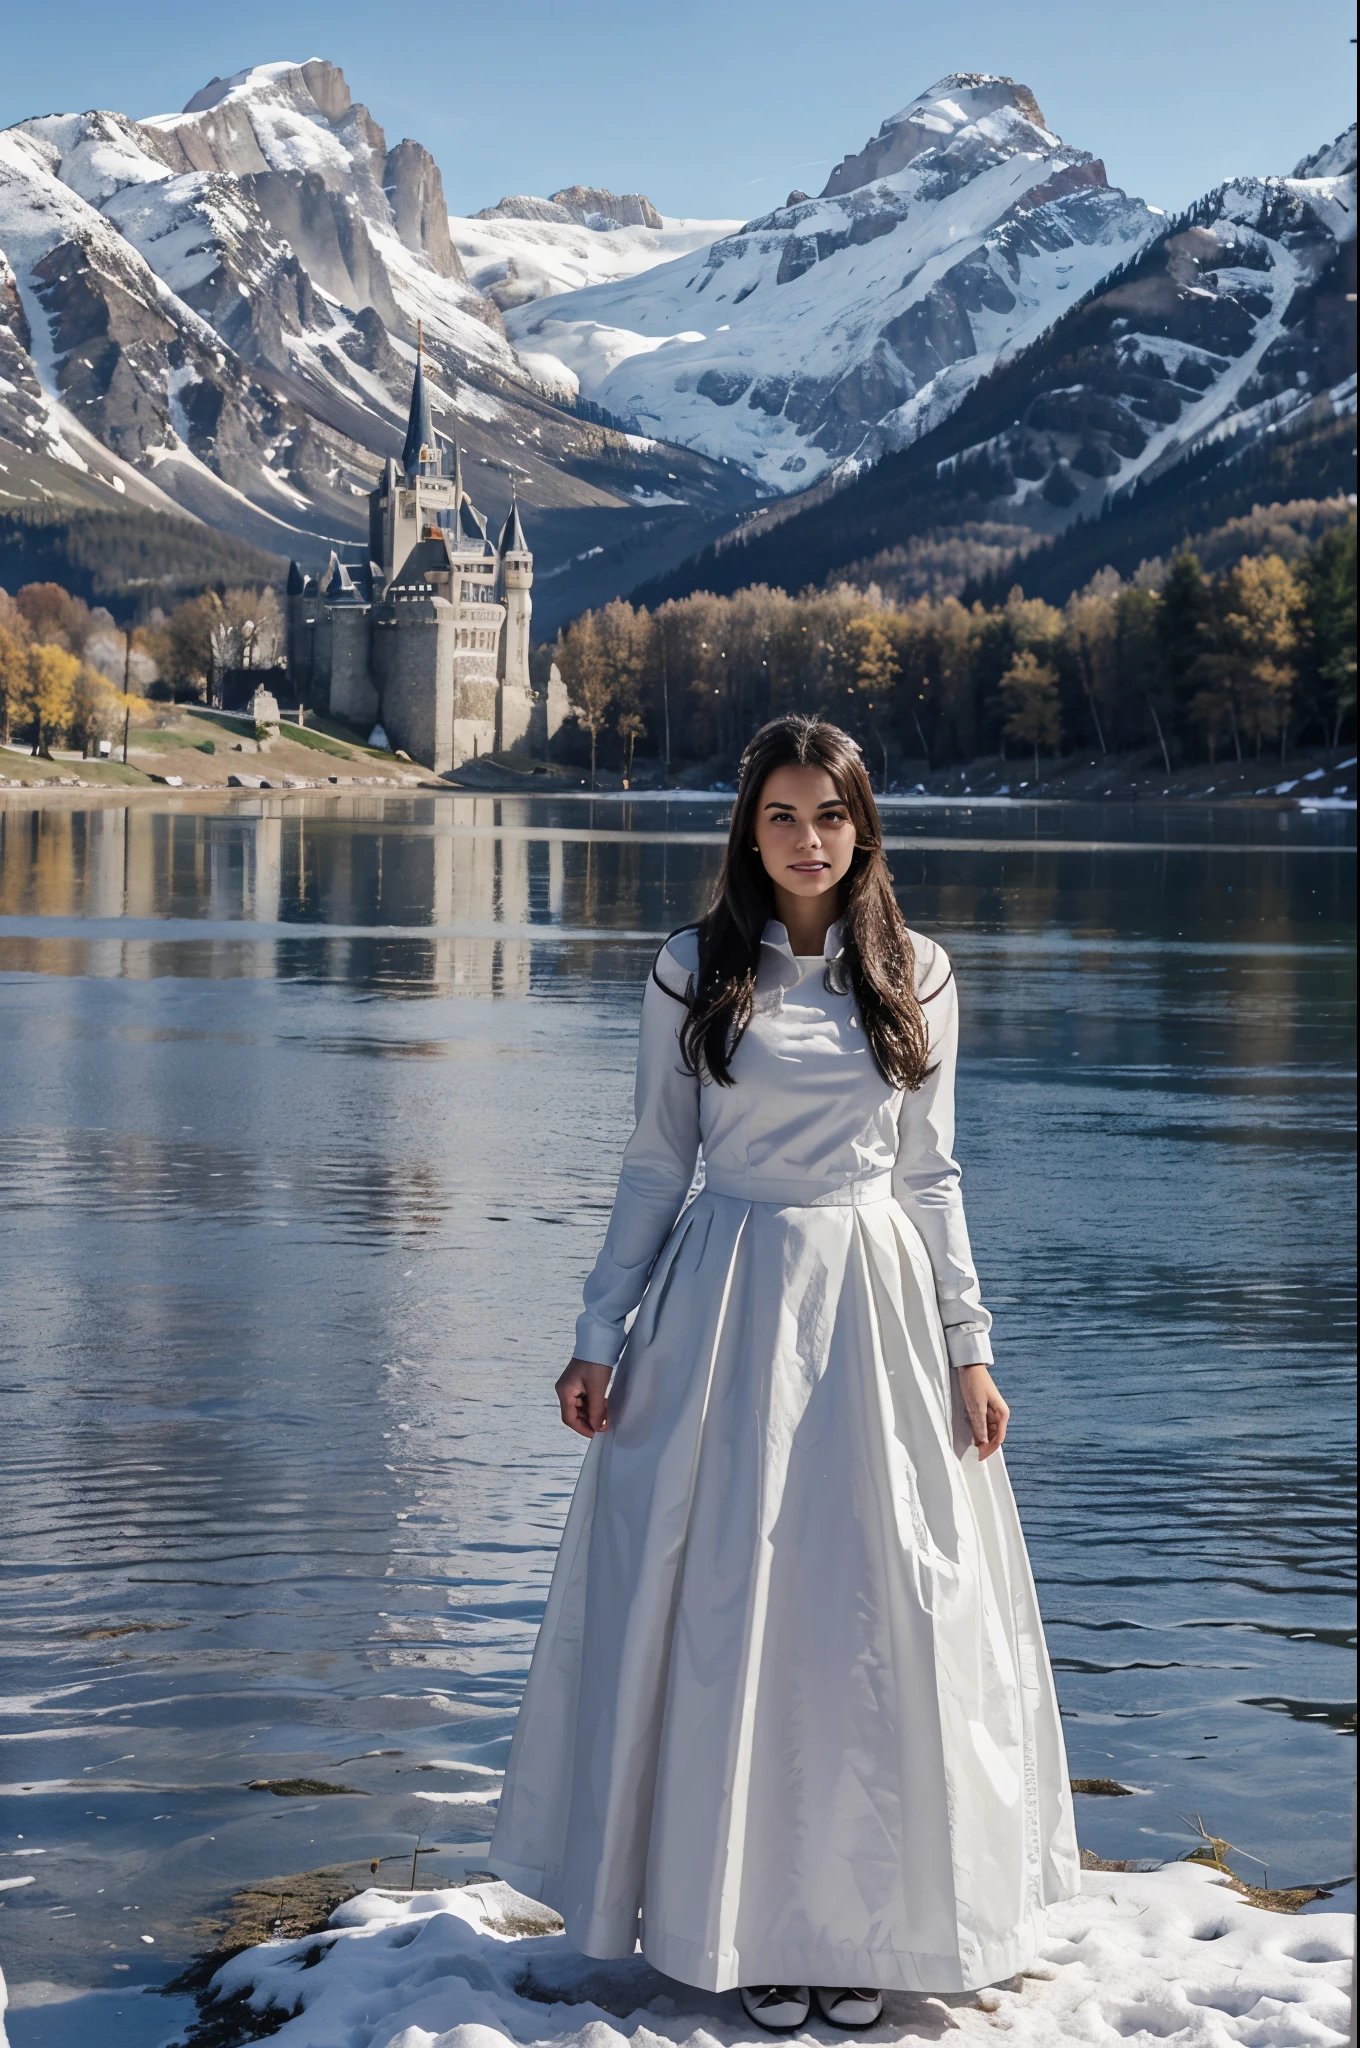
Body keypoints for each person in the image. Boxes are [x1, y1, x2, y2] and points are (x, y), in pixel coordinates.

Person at [489, 716, 1078, 2027]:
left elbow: (931, 1174)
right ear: (747, 831)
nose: (808, 841)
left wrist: (969, 1350)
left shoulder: (916, 972)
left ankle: (866, 1927)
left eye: (830, 815)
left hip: (875, 1308)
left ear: (863, 826)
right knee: (728, 1613)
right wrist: (600, 1332)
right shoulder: (691, 969)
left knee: (869, 1616)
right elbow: (656, 1162)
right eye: (781, 817)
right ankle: (740, 1923)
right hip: (726, 1304)